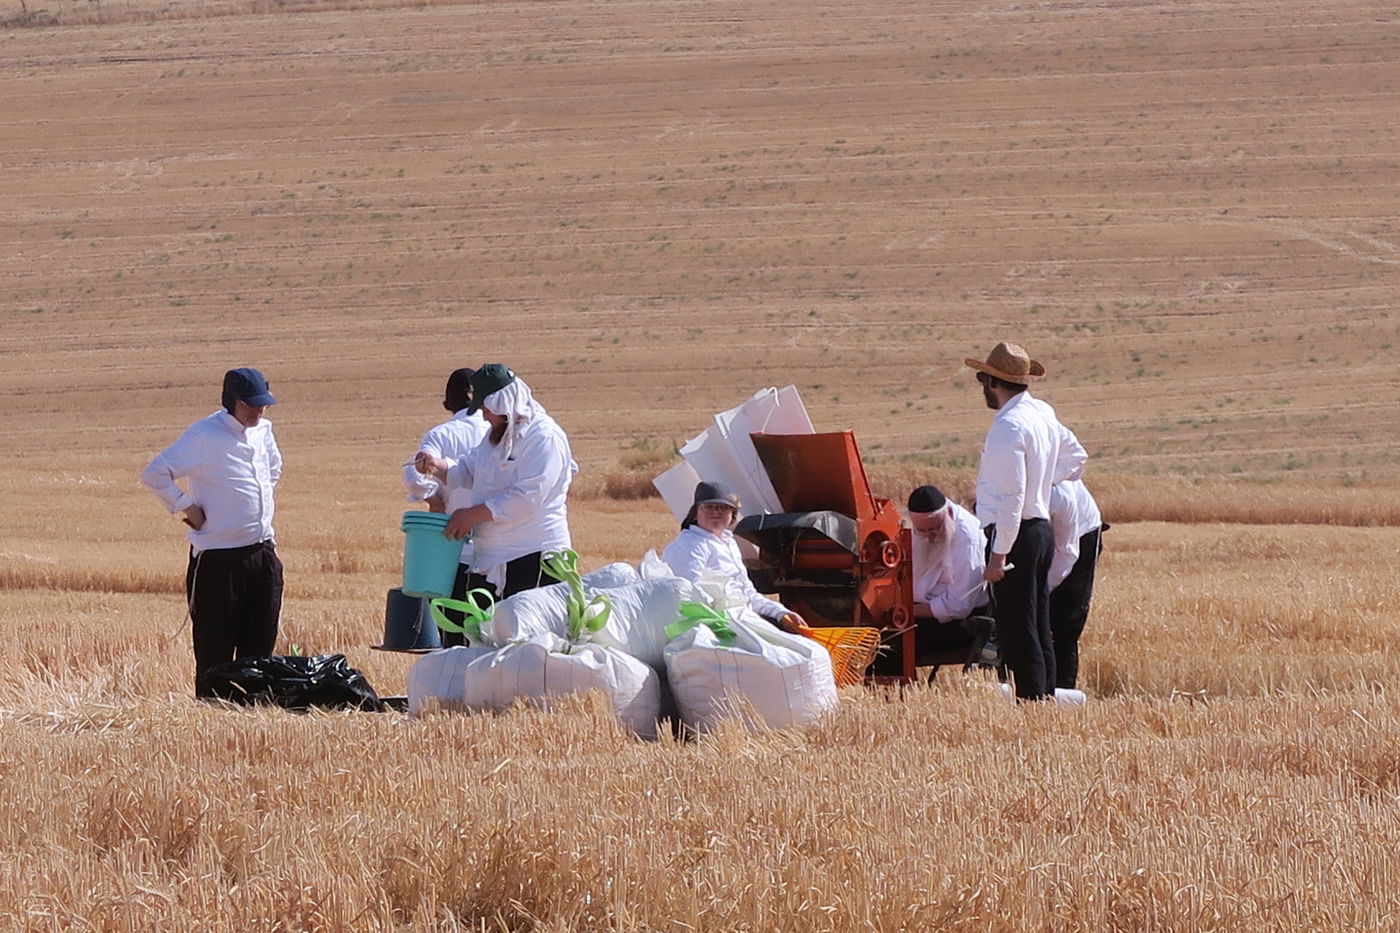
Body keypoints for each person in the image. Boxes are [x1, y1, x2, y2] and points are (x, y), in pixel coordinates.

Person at [140, 367, 284, 692]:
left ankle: (254, 716)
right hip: (218, 562)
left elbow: (274, 467)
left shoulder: (264, 431)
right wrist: (187, 508)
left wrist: (253, 501)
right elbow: (155, 473)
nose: (259, 411)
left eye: (263, 404)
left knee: (260, 652)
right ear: (231, 401)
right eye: (251, 405)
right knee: (216, 653)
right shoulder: (203, 436)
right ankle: (214, 721)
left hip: (263, 553)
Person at [966, 342, 1087, 700]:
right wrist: (1044, 478)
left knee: (1018, 629)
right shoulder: (1042, 414)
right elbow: (1077, 459)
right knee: (1038, 623)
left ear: (991, 382)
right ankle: (1046, 700)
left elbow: (1012, 498)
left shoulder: (1009, 426)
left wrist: (999, 554)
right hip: (1041, 530)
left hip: (1015, 533)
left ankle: (1034, 705)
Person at [414, 364, 577, 602]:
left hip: (534, 560)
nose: (483, 414)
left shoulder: (543, 437)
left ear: (503, 404)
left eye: (486, 408)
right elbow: (470, 470)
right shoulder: (495, 437)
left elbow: (527, 498)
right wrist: (436, 466)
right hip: (492, 562)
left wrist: (472, 515)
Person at [402, 368, 489, 646]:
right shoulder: (497, 431)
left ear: (447, 404)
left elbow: (414, 472)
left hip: (452, 553)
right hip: (499, 554)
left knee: (453, 637)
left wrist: (434, 499)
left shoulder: (440, 435)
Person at [662, 480, 805, 633]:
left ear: (733, 516)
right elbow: (688, 594)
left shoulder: (728, 543)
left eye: (723, 508)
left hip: (740, 619)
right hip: (711, 627)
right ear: (695, 514)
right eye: (709, 507)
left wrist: (781, 613)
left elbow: (748, 594)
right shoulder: (689, 545)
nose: (716, 512)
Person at [905, 484, 993, 668]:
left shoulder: (968, 541)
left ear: (949, 515)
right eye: (921, 531)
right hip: (922, 608)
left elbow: (958, 605)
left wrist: (906, 612)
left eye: (934, 529)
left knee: (893, 646)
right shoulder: (924, 527)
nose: (929, 537)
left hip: (963, 622)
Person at [1047, 478, 1106, 691]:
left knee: (1064, 622)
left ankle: (1062, 690)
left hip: (1079, 536)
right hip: (1040, 534)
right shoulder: (999, 479)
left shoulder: (1059, 493)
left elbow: (1067, 554)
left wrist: (1042, 590)